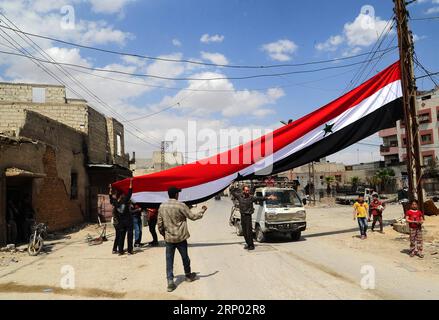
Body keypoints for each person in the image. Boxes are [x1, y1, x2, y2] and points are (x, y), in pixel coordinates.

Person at [157, 186, 207, 292]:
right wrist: (202, 211)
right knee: (185, 257)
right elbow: (193, 217)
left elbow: (160, 224)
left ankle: (170, 282)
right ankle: (188, 275)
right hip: (181, 237)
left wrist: (164, 235)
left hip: (169, 239)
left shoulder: (162, 206)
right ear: (176, 195)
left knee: (169, 260)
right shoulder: (181, 205)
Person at [230, 185, 276, 250]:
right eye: (246, 190)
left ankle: (251, 245)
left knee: (249, 232)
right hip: (242, 216)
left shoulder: (251, 198)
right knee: (245, 232)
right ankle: (247, 243)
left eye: (248, 190)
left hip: (248, 216)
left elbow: (260, 198)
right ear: (243, 191)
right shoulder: (239, 196)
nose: (247, 191)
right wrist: (231, 185)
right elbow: (233, 193)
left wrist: (269, 197)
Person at [109, 178, 133, 255]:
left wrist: (110, 189)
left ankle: (120, 251)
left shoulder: (115, 203)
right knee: (129, 236)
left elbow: (110, 197)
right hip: (128, 222)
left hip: (121, 222)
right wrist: (131, 182)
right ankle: (129, 251)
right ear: (122, 195)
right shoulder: (125, 201)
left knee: (121, 236)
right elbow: (130, 192)